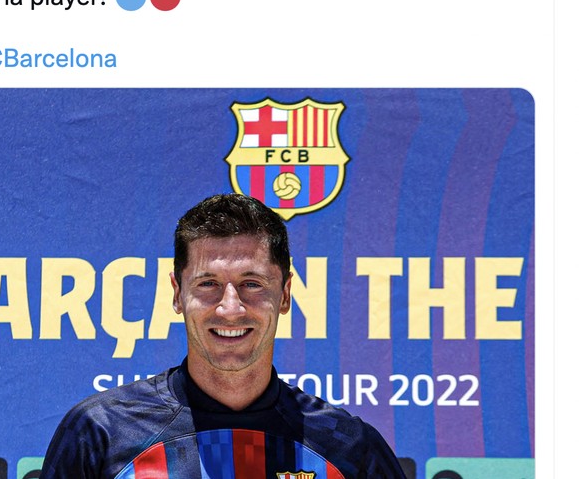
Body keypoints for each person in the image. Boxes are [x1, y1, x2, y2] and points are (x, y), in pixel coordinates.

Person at [40, 193, 406, 478]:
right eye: (208, 284)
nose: (230, 308)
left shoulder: (349, 448)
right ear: (177, 293)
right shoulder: (101, 433)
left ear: (285, 294)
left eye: (252, 283)